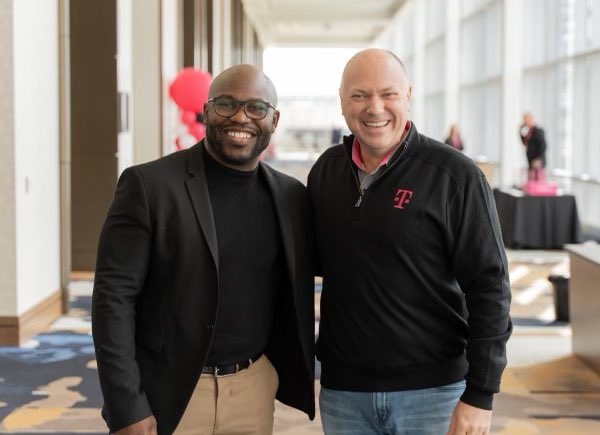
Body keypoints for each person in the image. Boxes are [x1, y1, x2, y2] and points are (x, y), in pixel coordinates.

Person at [92, 64, 315, 435]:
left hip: (253, 388)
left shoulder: (291, 197)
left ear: (274, 120)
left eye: (256, 108)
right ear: (207, 110)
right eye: (226, 104)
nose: (240, 117)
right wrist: (125, 405)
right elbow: (112, 300)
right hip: (172, 389)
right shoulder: (148, 186)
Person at [307, 48, 512, 435]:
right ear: (342, 101)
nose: (374, 107)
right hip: (344, 394)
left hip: (434, 394)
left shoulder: (455, 176)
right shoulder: (326, 172)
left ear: (408, 96)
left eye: (388, 94)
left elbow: (491, 286)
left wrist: (481, 393)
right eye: (359, 95)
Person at [519, 112, 547, 180]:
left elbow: (543, 145)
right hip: (531, 163)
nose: (525, 121)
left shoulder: (538, 131)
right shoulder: (529, 132)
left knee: (537, 183)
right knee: (531, 181)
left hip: (537, 163)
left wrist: (539, 159)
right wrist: (521, 127)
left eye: (527, 119)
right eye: (524, 120)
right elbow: (524, 142)